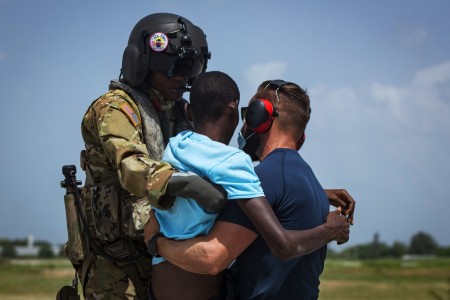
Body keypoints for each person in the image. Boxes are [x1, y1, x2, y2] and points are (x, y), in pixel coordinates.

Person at [145, 75, 352, 299]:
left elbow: (213, 258)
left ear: (259, 117)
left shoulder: (179, 145)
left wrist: (157, 244)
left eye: (249, 113)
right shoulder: (308, 182)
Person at [67, 13, 228, 299]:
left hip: (160, 252)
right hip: (114, 264)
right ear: (142, 64)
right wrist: (185, 184)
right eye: (174, 67)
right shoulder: (114, 108)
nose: (182, 77)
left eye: (190, 68)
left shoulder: (177, 112)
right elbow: (131, 166)